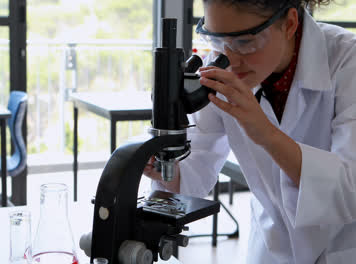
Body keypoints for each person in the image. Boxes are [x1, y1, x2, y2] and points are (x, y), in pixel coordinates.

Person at [144, 0, 356, 263]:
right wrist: (169, 167)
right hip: (272, 248)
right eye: (216, 39)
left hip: (344, 248)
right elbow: (194, 172)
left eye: (245, 42)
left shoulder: (348, 60)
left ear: (289, 23)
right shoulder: (217, 66)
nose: (229, 59)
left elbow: (350, 188)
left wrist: (266, 134)